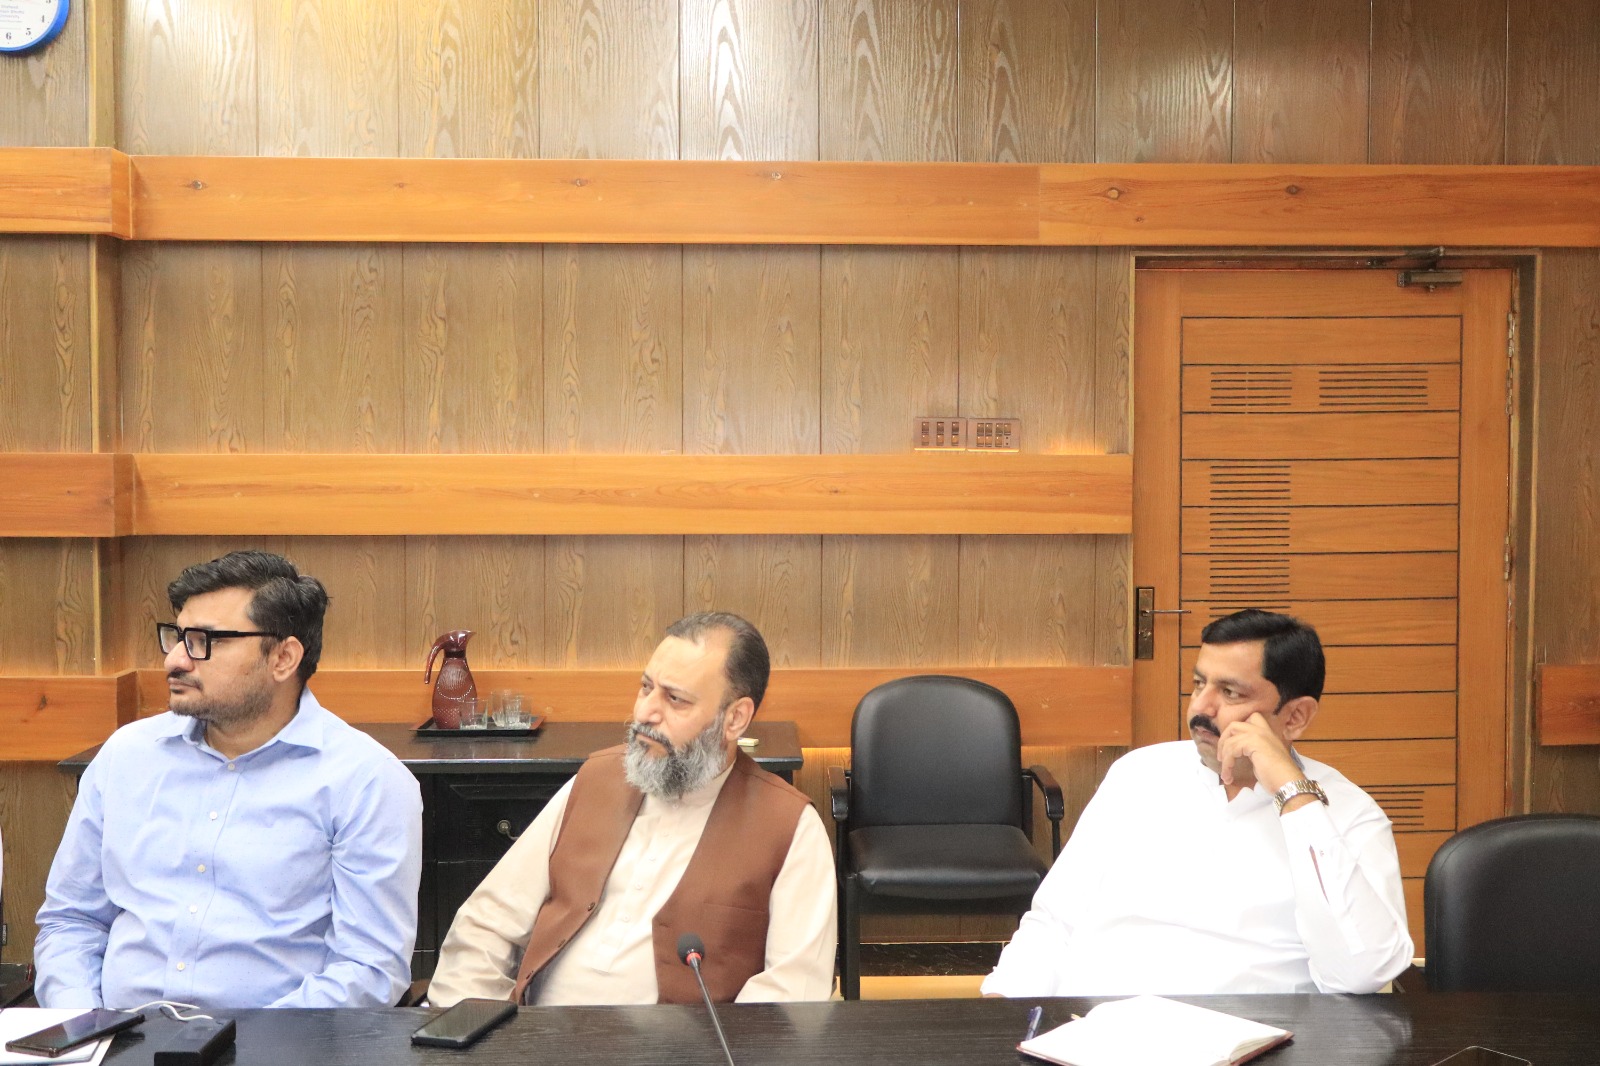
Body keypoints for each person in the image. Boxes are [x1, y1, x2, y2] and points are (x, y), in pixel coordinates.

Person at [34, 550, 422, 1009]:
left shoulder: (366, 780)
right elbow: (72, 921)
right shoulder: (127, 756)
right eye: (177, 637)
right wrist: (82, 1025)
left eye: (203, 641)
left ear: (283, 658)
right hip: (114, 1036)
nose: (175, 660)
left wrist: (239, 1043)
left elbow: (368, 968)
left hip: (276, 1042)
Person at [983, 608, 1412, 997]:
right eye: (1199, 683)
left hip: (1256, 1035)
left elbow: (1361, 973)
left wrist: (1292, 792)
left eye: (1231, 692)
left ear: (1295, 716)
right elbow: (1055, 920)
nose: (1201, 708)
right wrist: (1000, 1012)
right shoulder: (1139, 774)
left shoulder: (1347, 814)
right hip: (1096, 1027)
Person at [429, 611, 835, 1006]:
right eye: (646, 688)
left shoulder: (789, 828)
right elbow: (486, 924)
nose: (644, 713)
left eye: (675, 699)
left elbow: (790, 996)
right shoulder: (596, 779)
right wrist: (473, 1029)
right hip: (537, 1035)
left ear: (735, 719)